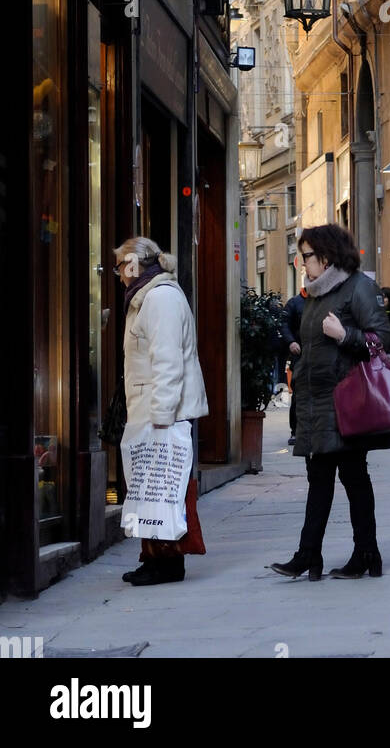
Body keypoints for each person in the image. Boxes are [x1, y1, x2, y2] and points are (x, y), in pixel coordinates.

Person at [270, 224, 390, 581]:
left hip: (346, 402)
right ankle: (310, 555)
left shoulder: (358, 288)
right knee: (319, 479)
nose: (301, 263)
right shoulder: (315, 295)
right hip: (316, 404)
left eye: (306, 256)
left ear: (326, 256)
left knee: (354, 478)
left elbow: (382, 338)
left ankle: (365, 553)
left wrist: (345, 335)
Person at [115, 236, 208, 586]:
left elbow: (168, 361)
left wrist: (161, 416)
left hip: (161, 412)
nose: (119, 275)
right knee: (149, 487)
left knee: (163, 487)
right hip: (151, 409)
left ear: (134, 266)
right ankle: (153, 559)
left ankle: (167, 563)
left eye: (120, 267)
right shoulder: (148, 297)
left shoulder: (160, 298)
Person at [280, 286, 307, 444]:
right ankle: (295, 431)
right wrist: (291, 342)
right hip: (300, 355)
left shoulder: (324, 301)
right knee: (298, 394)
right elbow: (284, 325)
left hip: (320, 355)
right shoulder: (294, 303)